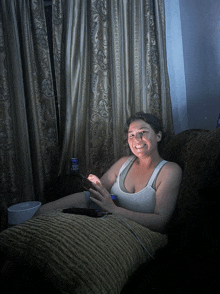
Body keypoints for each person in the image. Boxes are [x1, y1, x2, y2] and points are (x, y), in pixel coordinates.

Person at [36, 112, 182, 233]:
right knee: (41, 213)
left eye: (143, 132)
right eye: (131, 135)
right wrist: (95, 184)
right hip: (99, 211)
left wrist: (114, 209)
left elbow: (160, 222)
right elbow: (99, 190)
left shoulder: (169, 170)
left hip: (128, 230)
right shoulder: (123, 163)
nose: (136, 139)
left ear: (158, 136)